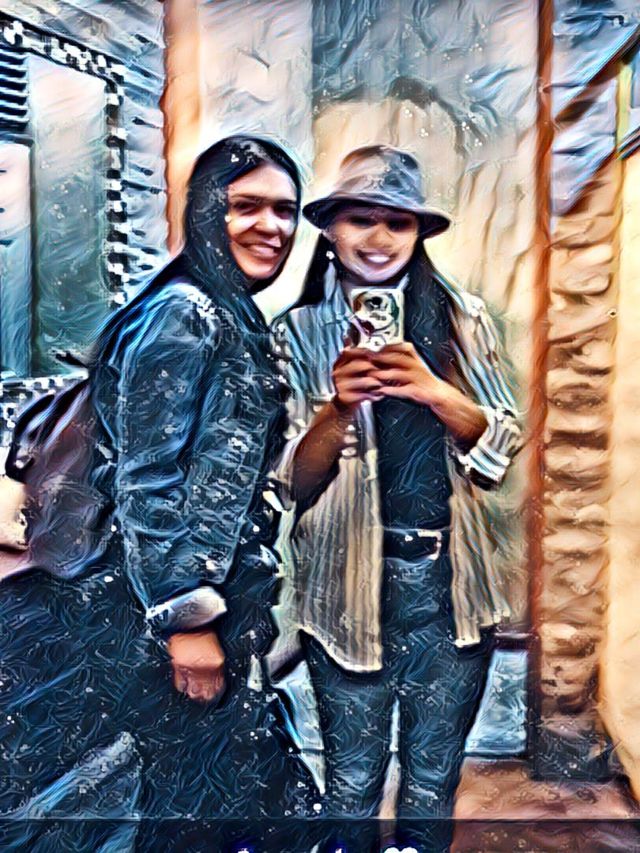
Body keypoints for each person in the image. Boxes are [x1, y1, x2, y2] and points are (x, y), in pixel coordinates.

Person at [0, 135, 312, 850]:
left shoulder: (226, 313)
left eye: (285, 210)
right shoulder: (186, 313)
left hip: (209, 603)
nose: (271, 226)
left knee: (213, 800)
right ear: (206, 211)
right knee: (200, 807)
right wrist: (185, 621)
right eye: (246, 206)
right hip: (163, 614)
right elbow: (147, 477)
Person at [273, 145, 522, 852]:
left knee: (432, 781)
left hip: (450, 588)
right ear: (329, 229)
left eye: (398, 222)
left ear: (418, 234)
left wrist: (434, 390)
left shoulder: (460, 316)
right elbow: (292, 482)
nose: (379, 238)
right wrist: (337, 409)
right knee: (350, 784)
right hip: (344, 590)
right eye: (361, 219)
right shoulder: (297, 332)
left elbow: (501, 443)